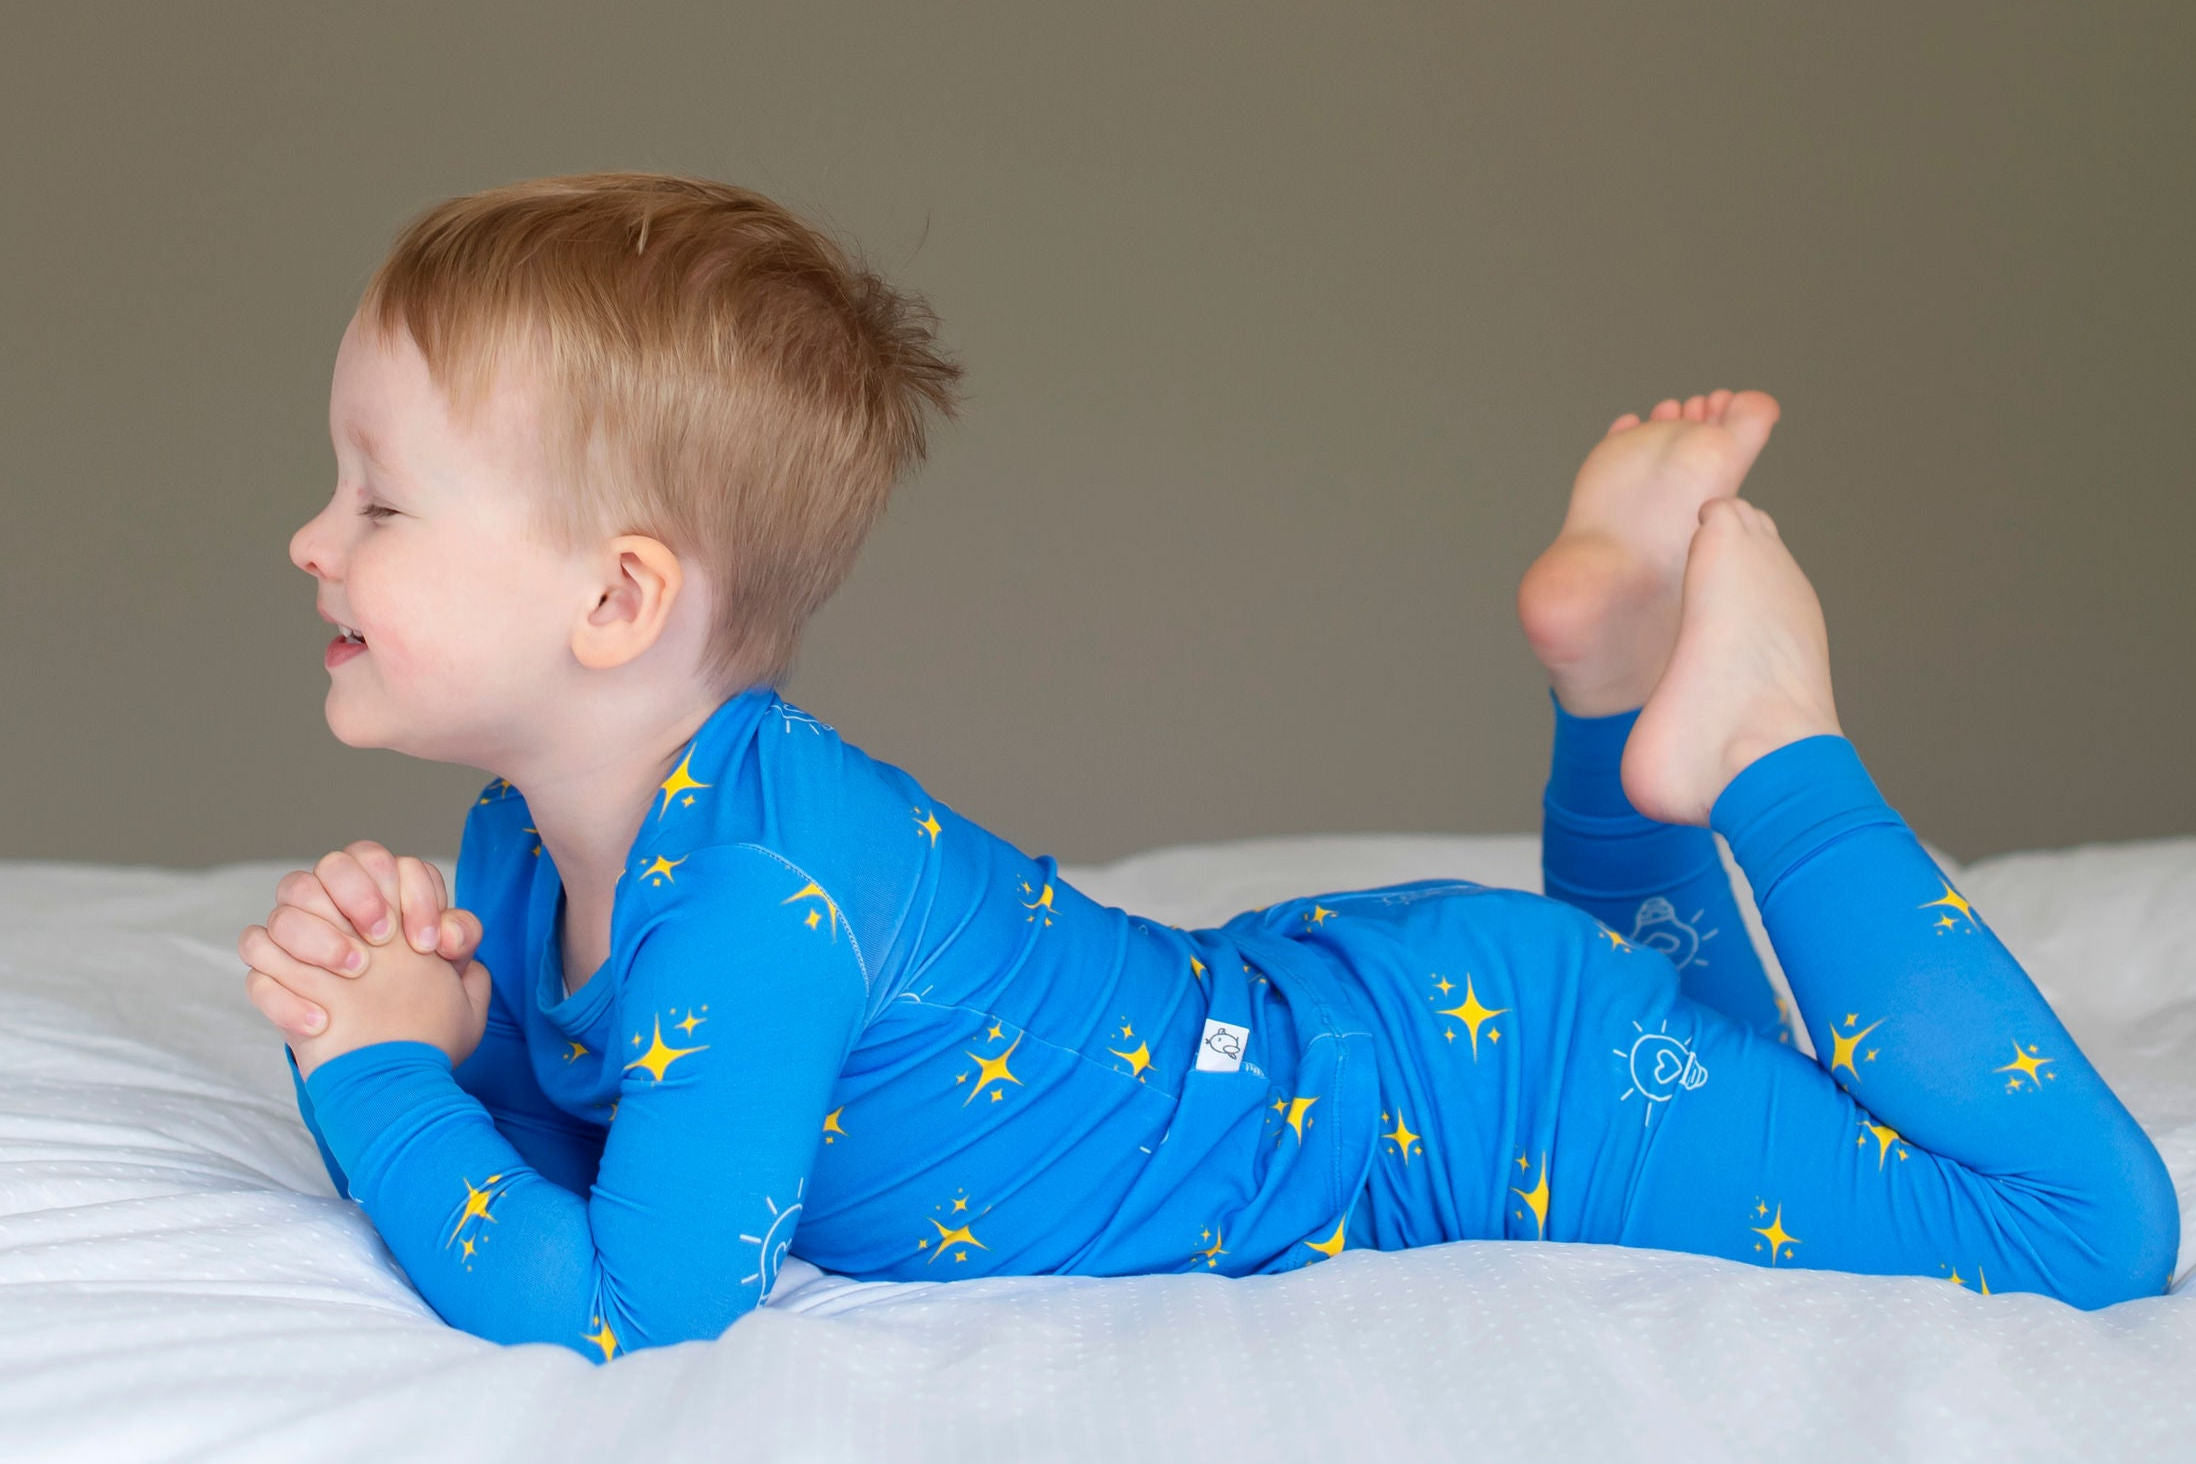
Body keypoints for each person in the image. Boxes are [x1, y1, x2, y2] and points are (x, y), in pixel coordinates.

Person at [242, 174, 2179, 1364]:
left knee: (2084, 1237)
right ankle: (1616, 676)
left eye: (379, 500)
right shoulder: (534, 845)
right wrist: (441, 1009)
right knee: (1721, 1042)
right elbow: (607, 1119)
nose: (314, 543)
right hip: (1395, 1030)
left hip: (1483, 1097)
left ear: (616, 601)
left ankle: (1763, 746)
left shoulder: (759, 901)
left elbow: (629, 1301)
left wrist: (378, 1075)